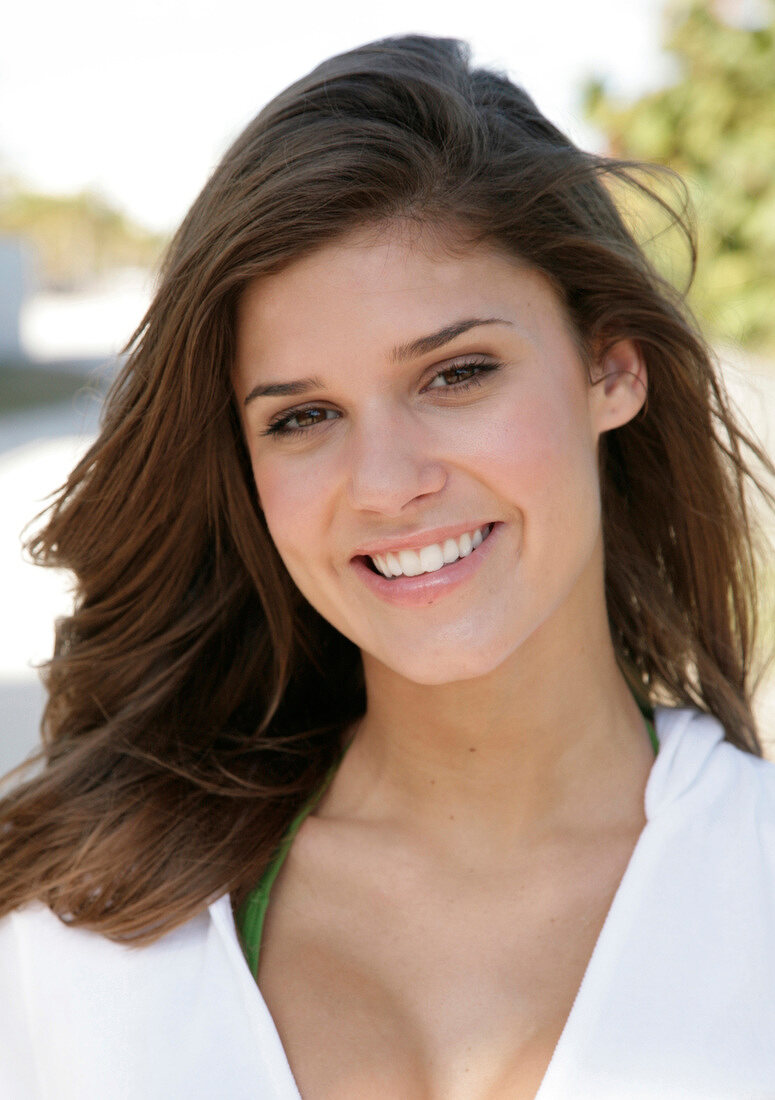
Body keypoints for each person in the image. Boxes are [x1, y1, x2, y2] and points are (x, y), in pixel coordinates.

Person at [1, 34, 774, 1100]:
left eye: (456, 373)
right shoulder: (80, 927)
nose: (386, 481)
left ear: (612, 366)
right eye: (304, 415)